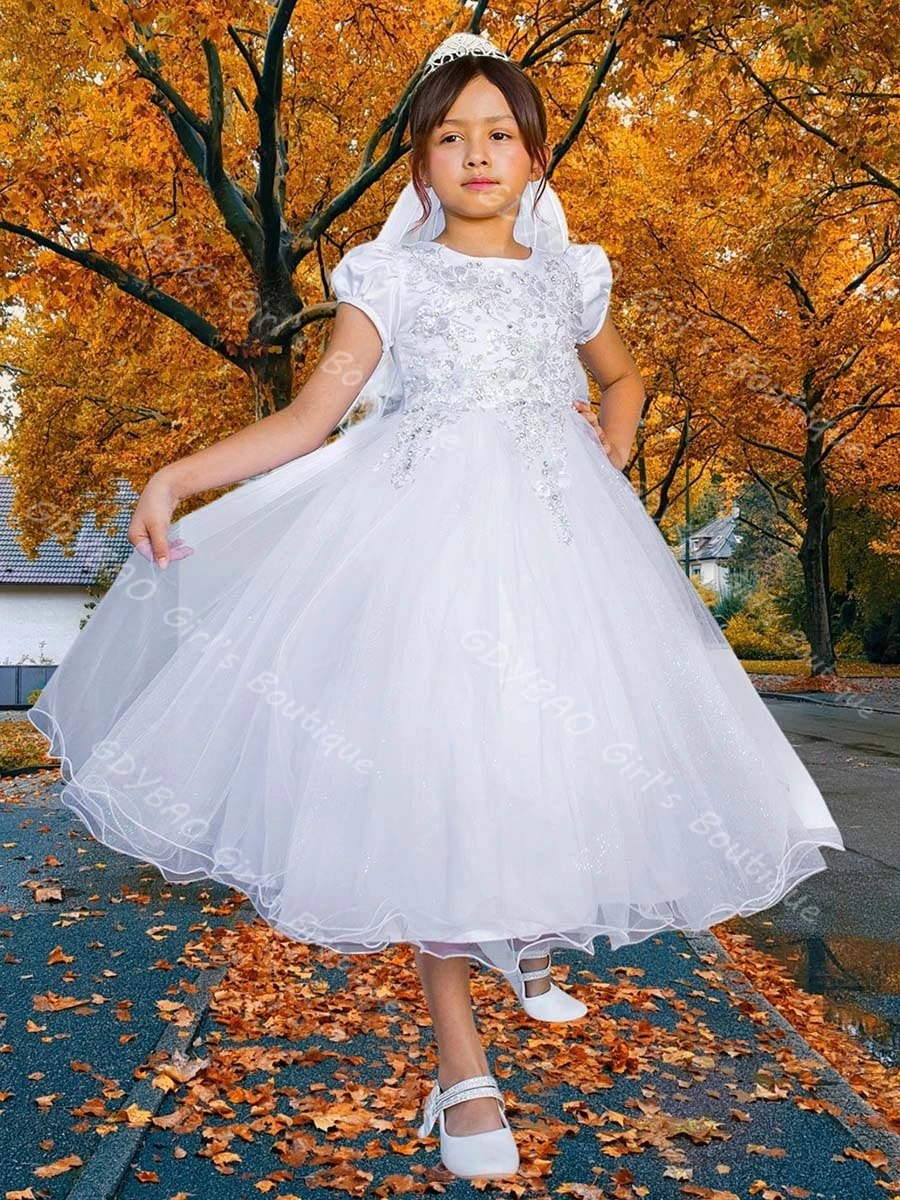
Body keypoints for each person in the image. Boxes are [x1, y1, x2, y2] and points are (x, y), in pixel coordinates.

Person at [27, 31, 846, 1183]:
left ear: (534, 155)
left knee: (551, 749)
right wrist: (177, 475)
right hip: (423, 557)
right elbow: (311, 418)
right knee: (435, 782)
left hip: (563, 553)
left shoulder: (569, 274)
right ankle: (462, 1069)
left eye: (499, 133)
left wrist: (611, 442)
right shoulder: (391, 280)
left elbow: (623, 374)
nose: (476, 153)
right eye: (449, 137)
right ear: (419, 165)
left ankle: (526, 926)